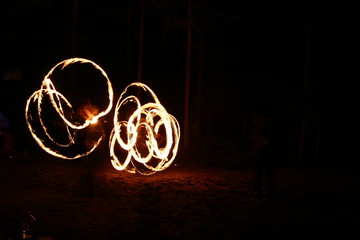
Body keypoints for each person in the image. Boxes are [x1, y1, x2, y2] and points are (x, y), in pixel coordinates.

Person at [248, 110, 277, 197]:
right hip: (259, 153)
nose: (255, 120)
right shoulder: (256, 128)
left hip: (268, 153)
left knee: (268, 173)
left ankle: (269, 190)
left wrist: (264, 142)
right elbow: (252, 139)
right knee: (259, 173)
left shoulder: (268, 128)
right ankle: (258, 189)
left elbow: (270, 140)